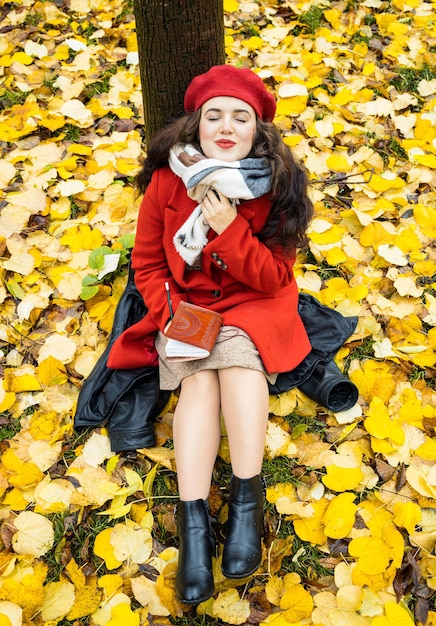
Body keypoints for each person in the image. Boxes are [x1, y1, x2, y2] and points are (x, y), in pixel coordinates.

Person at [107, 65, 314, 604]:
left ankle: (247, 500)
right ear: (195, 126)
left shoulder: (278, 184)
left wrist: (229, 230)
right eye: (213, 115)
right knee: (199, 383)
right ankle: (193, 527)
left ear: (258, 130)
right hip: (189, 305)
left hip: (254, 302)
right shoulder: (166, 182)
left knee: (240, 369)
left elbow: (274, 276)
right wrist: (172, 314)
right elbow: (148, 265)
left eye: (240, 116)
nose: (226, 126)